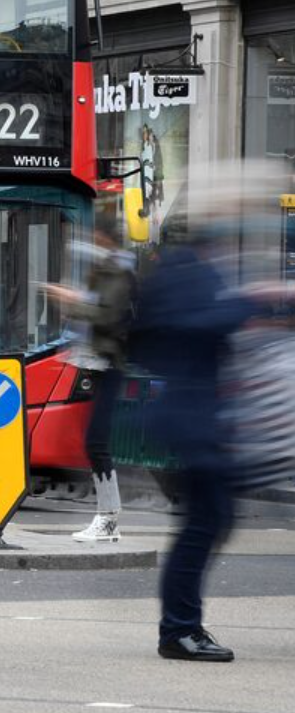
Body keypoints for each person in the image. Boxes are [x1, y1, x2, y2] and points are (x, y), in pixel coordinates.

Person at [129, 205, 267, 663]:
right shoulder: (183, 274)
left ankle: (182, 626)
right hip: (189, 420)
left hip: (197, 418)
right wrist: (252, 300)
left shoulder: (184, 273)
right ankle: (179, 630)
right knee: (202, 524)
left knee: (211, 520)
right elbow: (197, 324)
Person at [52, 210, 138, 543]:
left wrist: (72, 301)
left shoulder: (119, 270)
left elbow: (107, 315)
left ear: (105, 238)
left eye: (95, 237)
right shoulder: (107, 268)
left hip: (110, 364)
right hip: (99, 362)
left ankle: (108, 518)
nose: (90, 242)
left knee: (96, 441)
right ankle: (107, 517)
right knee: (94, 441)